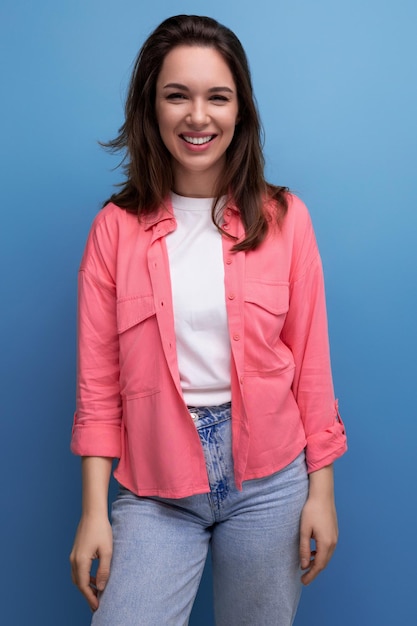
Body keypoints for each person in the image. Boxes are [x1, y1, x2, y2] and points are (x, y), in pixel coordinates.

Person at [70, 14, 347, 626]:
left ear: (240, 111)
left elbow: (313, 366)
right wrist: (94, 511)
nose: (199, 116)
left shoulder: (286, 218)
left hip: (271, 482)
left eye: (217, 97)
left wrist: (321, 492)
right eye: (177, 95)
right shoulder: (113, 231)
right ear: (152, 108)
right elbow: (98, 384)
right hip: (155, 485)